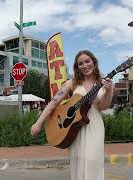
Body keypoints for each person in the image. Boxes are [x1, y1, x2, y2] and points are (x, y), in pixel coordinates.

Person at [30, 50, 113, 180]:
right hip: (73, 128)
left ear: (94, 62)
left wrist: (109, 90)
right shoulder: (72, 83)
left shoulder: (102, 83)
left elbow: (103, 107)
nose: (85, 65)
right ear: (77, 67)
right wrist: (38, 123)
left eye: (87, 61)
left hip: (94, 126)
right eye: (80, 63)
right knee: (78, 164)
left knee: (93, 162)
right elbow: (53, 103)